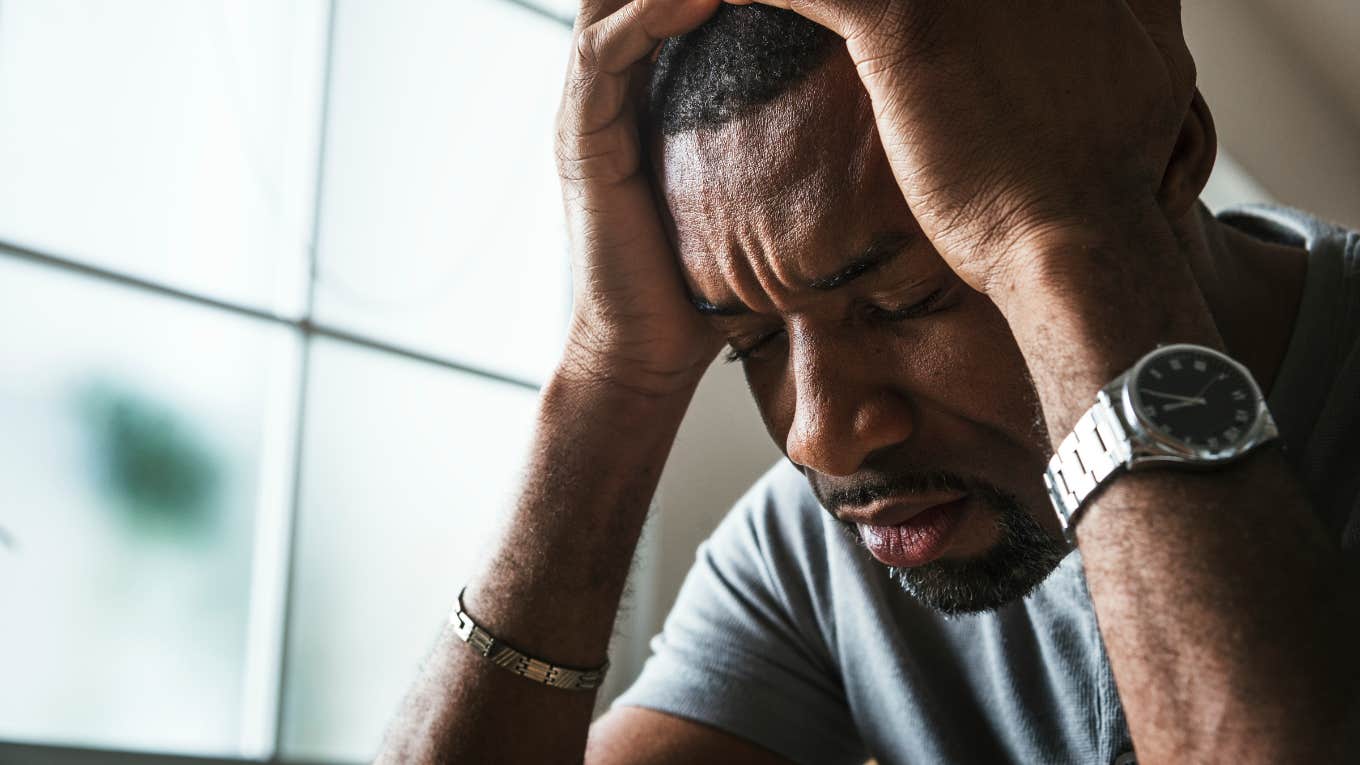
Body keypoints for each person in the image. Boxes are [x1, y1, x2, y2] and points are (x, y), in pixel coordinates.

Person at [377, 1, 1359, 762]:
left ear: (1169, 153)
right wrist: (612, 371)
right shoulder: (817, 552)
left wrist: (1070, 237)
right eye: (748, 342)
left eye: (906, 302)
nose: (822, 437)